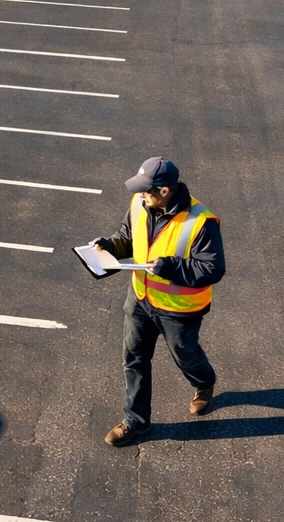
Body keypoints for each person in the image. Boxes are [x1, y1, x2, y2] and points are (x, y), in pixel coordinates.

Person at [91, 156, 224, 446]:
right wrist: (109, 246)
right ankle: (135, 421)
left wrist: (170, 267)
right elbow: (127, 236)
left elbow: (213, 269)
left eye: (146, 190)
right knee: (134, 358)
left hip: (179, 310)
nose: (140, 195)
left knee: (186, 356)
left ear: (164, 190)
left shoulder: (201, 222)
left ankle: (204, 383)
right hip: (140, 299)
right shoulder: (140, 204)